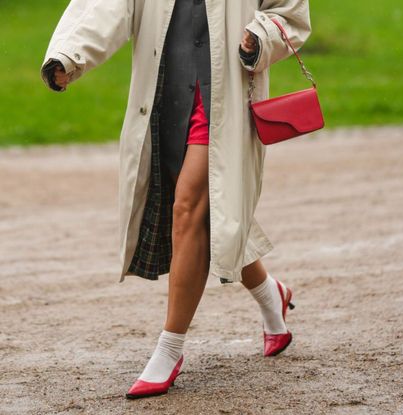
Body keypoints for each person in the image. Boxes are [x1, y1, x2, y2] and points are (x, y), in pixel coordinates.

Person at [41, 0, 311, 399]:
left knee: (188, 207)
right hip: (162, 94)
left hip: (222, 99)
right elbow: (106, 6)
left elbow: (288, 12)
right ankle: (271, 295)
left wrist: (260, 36)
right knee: (213, 213)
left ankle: (169, 349)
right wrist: (70, 54)